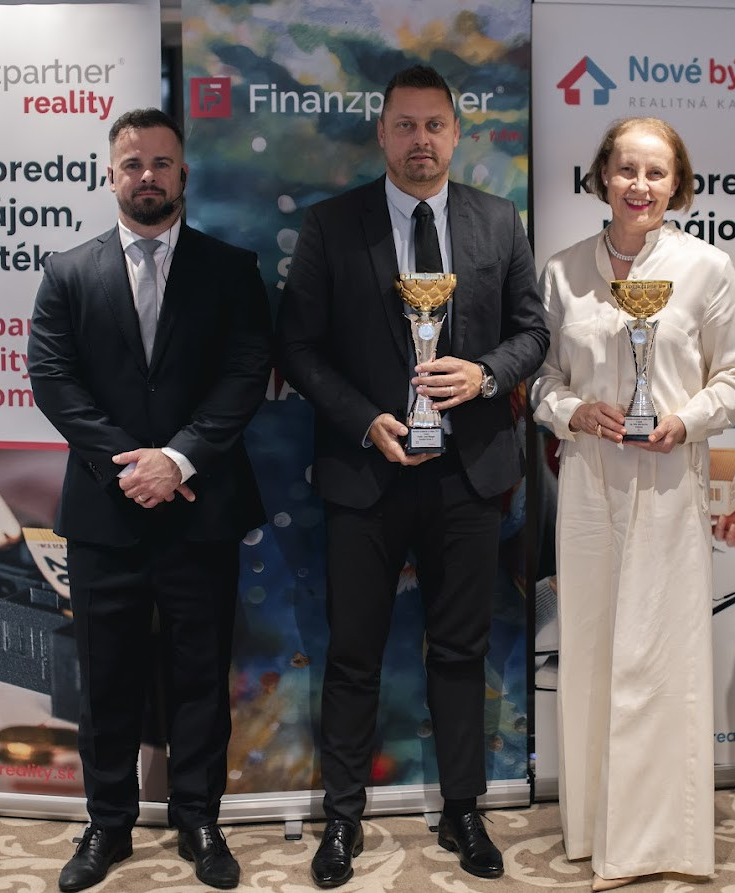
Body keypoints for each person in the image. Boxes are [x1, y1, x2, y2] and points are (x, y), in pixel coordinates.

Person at [275, 65, 548, 888]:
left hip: (468, 475)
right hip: (367, 470)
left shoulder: (497, 220)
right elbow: (297, 346)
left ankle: (463, 809)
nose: (419, 140)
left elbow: (532, 332)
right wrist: (365, 418)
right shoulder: (331, 225)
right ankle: (342, 817)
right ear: (382, 132)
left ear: (456, 133)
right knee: (353, 652)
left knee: (461, 651)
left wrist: (486, 375)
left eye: (434, 125)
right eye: (405, 125)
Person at [28, 107, 273, 892]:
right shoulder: (68, 272)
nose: (147, 176)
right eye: (132, 163)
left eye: (161, 163)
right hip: (106, 513)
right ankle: (108, 824)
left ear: (182, 175)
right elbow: (52, 378)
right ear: (110, 176)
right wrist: (129, 466)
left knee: (200, 673)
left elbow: (245, 374)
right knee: (107, 678)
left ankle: (199, 818)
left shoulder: (230, 269)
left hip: (201, 504)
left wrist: (177, 458)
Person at [530, 116, 735, 891]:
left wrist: (684, 420)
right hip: (589, 488)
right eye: (626, 169)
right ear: (602, 175)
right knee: (593, 654)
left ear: (676, 184)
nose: (639, 185)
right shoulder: (562, 271)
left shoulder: (706, 268)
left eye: (656, 173)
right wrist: (572, 412)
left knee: (660, 659)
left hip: (667, 486)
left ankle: (659, 837)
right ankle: (597, 829)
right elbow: (539, 378)